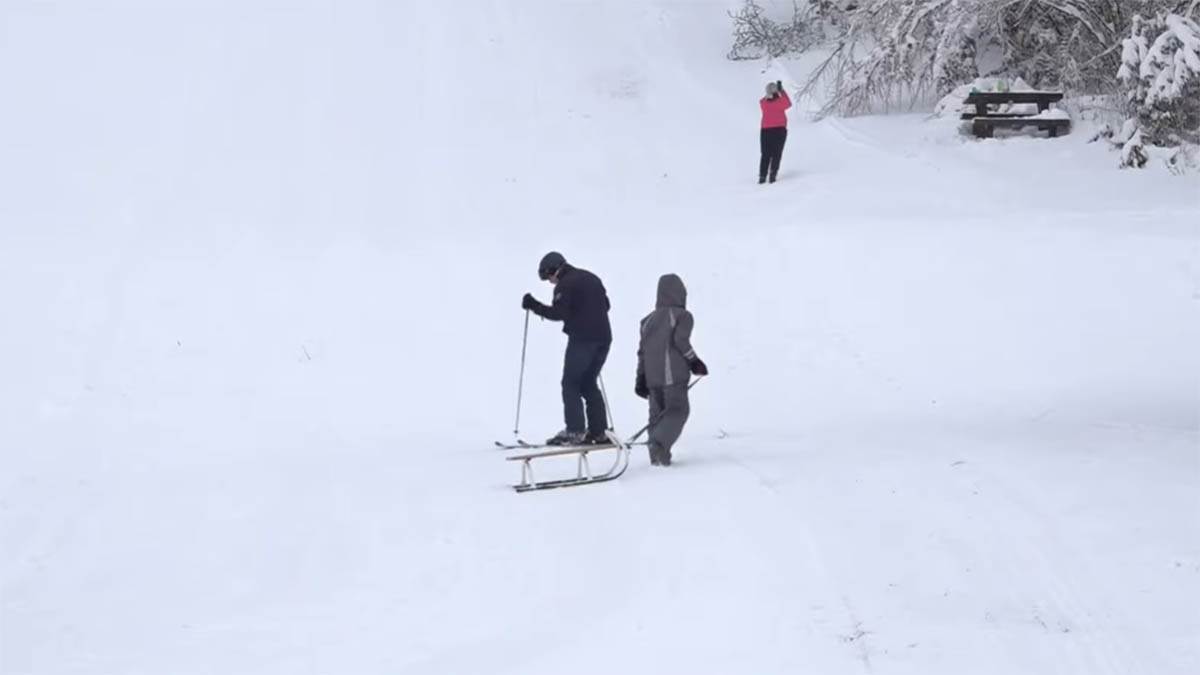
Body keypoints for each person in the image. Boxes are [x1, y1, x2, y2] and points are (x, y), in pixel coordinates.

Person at [522, 252, 613, 446]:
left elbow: (558, 313)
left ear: (554, 270)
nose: (549, 282)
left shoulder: (566, 284)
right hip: (604, 338)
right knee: (588, 383)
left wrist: (534, 305)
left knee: (570, 383)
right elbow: (606, 305)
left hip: (582, 340)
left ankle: (575, 431)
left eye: (547, 277)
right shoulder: (591, 277)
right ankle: (599, 432)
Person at [635, 274, 707, 466]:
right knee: (678, 410)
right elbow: (680, 340)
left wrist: (640, 378)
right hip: (673, 374)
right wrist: (695, 362)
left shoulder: (647, 321)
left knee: (657, 415)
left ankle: (658, 458)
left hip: (652, 377)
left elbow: (642, 352)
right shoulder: (683, 316)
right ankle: (658, 445)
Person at [759, 80, 791, 184]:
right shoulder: (780, 102)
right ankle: (773, 174)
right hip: (779, 130)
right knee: (776, 153)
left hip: (765, 131)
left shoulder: (763, 104)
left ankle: (762, 176)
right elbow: (788, 103)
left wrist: (770, 93)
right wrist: (782, 91)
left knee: (765, 154)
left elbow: (762, 100)